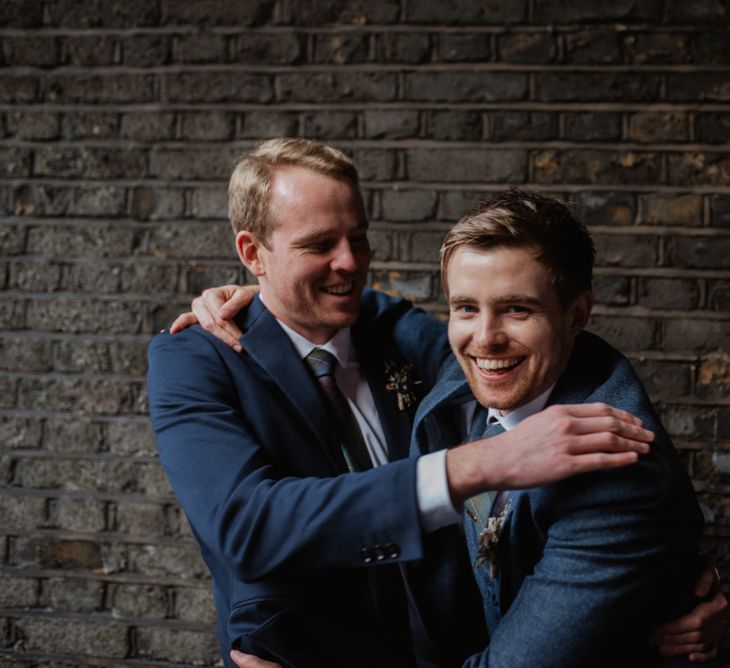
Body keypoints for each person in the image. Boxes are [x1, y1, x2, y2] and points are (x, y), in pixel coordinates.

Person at [150, 139, 724, 667]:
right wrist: (480, 464)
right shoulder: (194, 359)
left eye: (359, 237)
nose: (350, 263)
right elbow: (246, 527)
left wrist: (672, 574)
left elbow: (555, 361)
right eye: (319, 245)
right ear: (253, 252)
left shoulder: (392, 328)